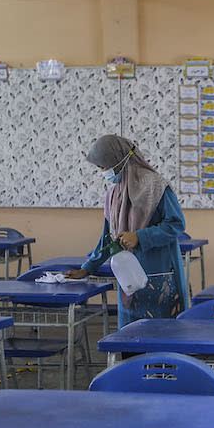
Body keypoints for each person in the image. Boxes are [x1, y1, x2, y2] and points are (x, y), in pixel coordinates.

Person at [66, 134, 187, 328]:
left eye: (104, 166)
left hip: (160, 275)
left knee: (164, 339)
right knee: (130, 341)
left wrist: (140, 237)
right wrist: (86, 268)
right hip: (128, 278)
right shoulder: (114, 193)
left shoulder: (155, 186)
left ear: (118, 160)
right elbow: (108, 238)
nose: (103, 172)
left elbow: (176, 224)